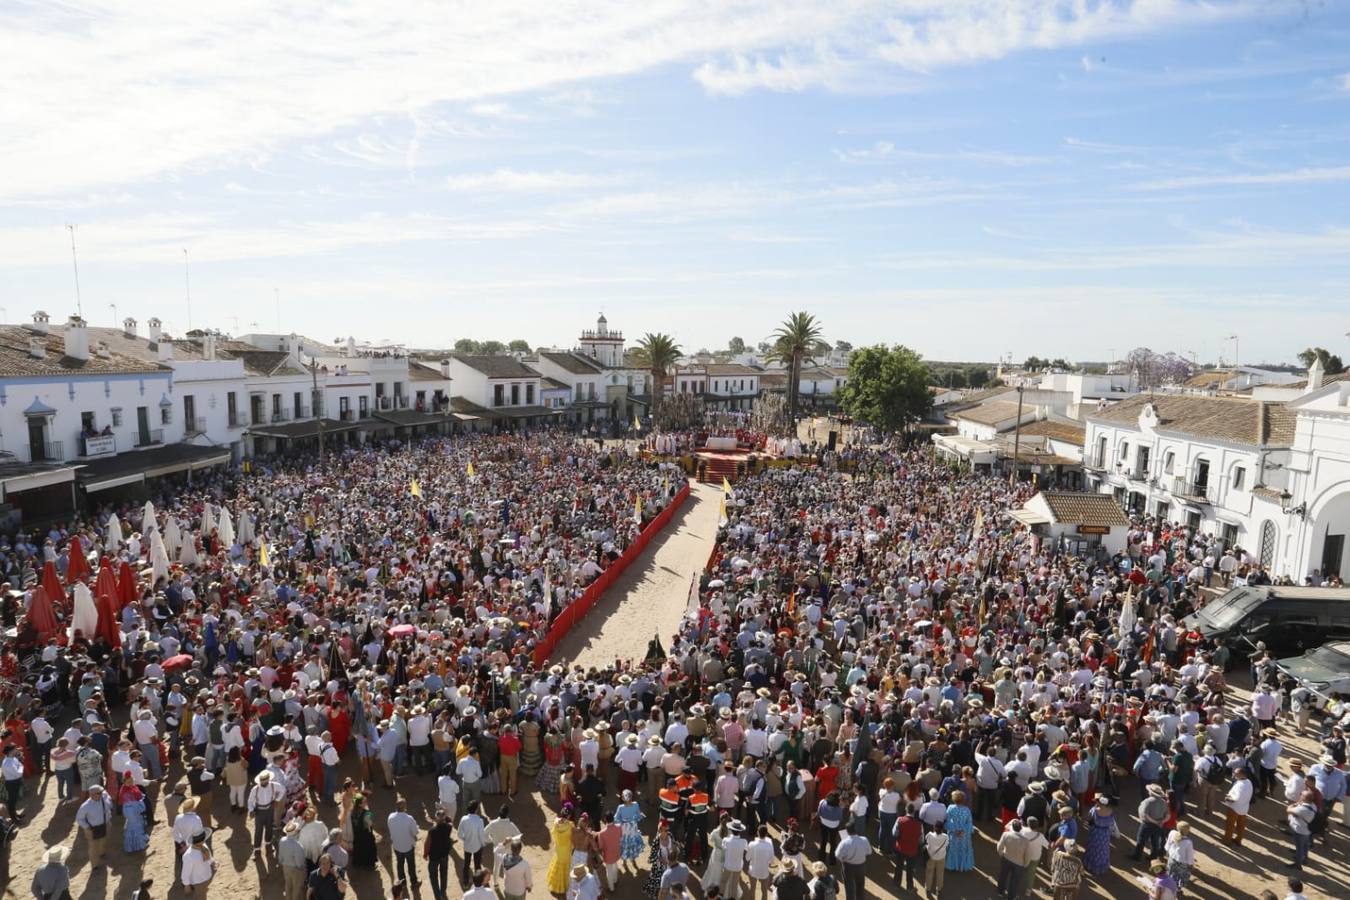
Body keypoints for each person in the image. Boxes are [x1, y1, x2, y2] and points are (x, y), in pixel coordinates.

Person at [75, 784, 113, 869]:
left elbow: (109, 801)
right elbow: (79, 818)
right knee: (93, 847)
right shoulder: (85, 806)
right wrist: (86, 827)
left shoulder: (104, 796)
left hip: (105, 825)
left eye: (101, 792)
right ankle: (95, 865)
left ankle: (102, 852)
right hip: (92, 829)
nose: (101, 794)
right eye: (99, 793)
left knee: (104, 840)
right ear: (92, 795)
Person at [387, 797, 420, 889]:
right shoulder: (409, 819)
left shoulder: (390, 817)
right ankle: (414, 883)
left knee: (400, 864)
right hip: (408, 846)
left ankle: (402, 883)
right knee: (411, 865)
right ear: (405, 807)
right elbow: (415, 832)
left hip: (397, 846)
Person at [1083, 796, 1118, 876]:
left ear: (1100, 803)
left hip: (1095, 832)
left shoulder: (1094, 810)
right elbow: (1112, 822)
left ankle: (1090, 865)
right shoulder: (1110, 811)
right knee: (1103, 849)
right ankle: (1100, 865)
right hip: (1105, 833)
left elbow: (1089, 818)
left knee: (1093, 848)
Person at [835, 824, 871, 900]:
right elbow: (869, 852)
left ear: (847, 831)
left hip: (848, 867)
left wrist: (843, 860)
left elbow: (837, 855)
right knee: (860, 885)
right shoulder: (864, 840)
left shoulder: (844, 842)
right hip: (861, 866)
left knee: (849, 886)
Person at [424, 809, 453, 900]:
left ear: (436, 819)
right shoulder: (449, 827)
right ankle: (443, 891)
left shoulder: (432, 831)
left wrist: (425, 854)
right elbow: (450, 821)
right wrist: (446, 817)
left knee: (433, 877)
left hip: (434, 857)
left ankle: (437, 896)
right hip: (444, 855)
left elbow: (427, 844)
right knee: (444, 873)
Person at [457, 802, 487, 888]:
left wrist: (465, 839)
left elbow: (459, 834)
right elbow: (481, 835)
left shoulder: (463, 819)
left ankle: (465, 882)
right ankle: (478, 882)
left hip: (467, 846)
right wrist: (483, 843)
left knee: (466, 864)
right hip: (477, 846)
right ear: (476, 810)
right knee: (477, 865)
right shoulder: (479, 821)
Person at [1285, 789, 1317, 871]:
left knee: (1299, 848)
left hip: (1300, 831)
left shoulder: (1302, 809)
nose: (1300, 796)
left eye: (1301, 795)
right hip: (1307, 830)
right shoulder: (1313, 806)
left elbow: (1288, 809)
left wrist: (1294, 804)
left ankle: (1298, 864)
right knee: (1305, 845)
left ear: (1304, 798)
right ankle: (1305, 859)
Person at [944, 791, 973, 873]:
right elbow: (969, 823)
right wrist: (963, 831)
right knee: (963, 850)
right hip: (964, 835)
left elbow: (948, 821)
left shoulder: (950, 808)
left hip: (953, 834)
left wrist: (955, 831)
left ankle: (952, 865)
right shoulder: (967, 810)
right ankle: (962, 866)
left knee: (953, 849)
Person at [278, 820, 309, 900]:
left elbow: (280, 856)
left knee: (288, 885)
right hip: (296, 870)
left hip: (285, 867)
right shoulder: (298, 846)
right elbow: (300, 863)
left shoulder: (282, 840)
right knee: (297, 889)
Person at [1223, 767, 1254, 845]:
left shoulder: (1240, 785)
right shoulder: (1249, 782)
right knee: (1241, 825)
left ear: (1242, 774)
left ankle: (1227, 840)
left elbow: (1236, 798)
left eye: (1236, 773)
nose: (1234, 774)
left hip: (1234, 808)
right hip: (1244, 808)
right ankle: (1238, 839)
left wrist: (1228, 798)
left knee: (1230, 824)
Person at [547, 815, 576, 894]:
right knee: (566, 866)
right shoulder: (570, 825)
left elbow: (553, 834)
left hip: (559, 848)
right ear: (568, 816)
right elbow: (573, 837)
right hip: (567, 849)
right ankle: (564, 886)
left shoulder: (556, 823)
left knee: (558, 863)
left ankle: (555, 885)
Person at [1163, 821, 1194, 895]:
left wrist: (1168, 853)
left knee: (1170, 873)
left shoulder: (1172, 833)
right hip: (1182, 863)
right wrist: (1191, 864)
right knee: (1180, 877)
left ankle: (1168, 887)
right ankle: (1176, 890)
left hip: (1171, 859)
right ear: (1187, 831)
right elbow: (1189, 855)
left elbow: (1168, 845)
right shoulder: (1188, 842)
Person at [121, 781, 150, 853]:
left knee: (131, 830)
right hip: (134, 813)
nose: (131, 782)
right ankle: (141, 845)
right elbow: (141, 808)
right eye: (129, 781)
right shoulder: (129, 793)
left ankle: (131, 847)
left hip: (130, 812)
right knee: (138, 830)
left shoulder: (125, 790)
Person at [924, 821, 948, 897]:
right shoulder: (945, 837)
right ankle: (939, 889)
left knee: (929, 872)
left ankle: (928, 888)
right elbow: (947, 844)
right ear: (942, 829)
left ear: (934, 827)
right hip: (941, 857)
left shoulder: (930, 835)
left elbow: (926, 841)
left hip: (931, 856)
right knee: (940, 873)